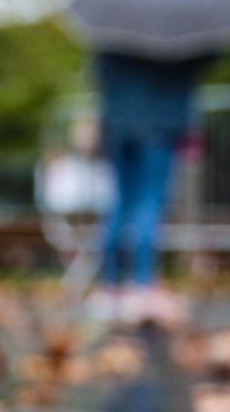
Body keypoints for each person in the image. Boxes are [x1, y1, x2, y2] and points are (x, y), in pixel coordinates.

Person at [87, 50, 209, 326]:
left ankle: (109, 286)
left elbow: (101, 73)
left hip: (119, 122)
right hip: (160, 124)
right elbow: (194, 67)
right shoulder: (174, 42)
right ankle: (142, 285)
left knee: (121, 201)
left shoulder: (114, 36)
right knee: (151, 202)